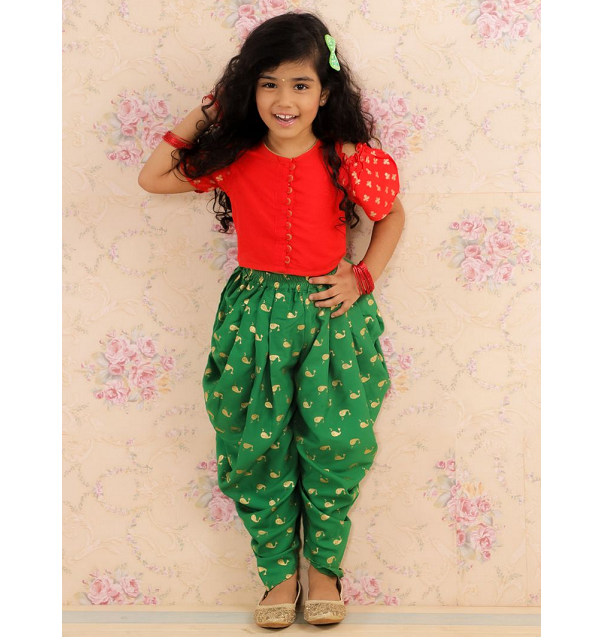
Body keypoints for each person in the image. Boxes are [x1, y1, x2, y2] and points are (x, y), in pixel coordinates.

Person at [138, 10, 405, 628]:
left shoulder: (347, 157)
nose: (285, 100)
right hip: (253, 317)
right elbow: (152, 178)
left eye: (301, 84)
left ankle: (324, 569)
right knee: (254, 442)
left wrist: (362, 276)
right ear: (249, 89)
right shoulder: (233, 157)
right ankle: (278, 574)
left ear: (325, 92)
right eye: (268, 84)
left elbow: (391, 215)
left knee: (337, 440)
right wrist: (211, 107)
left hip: (330, 315)